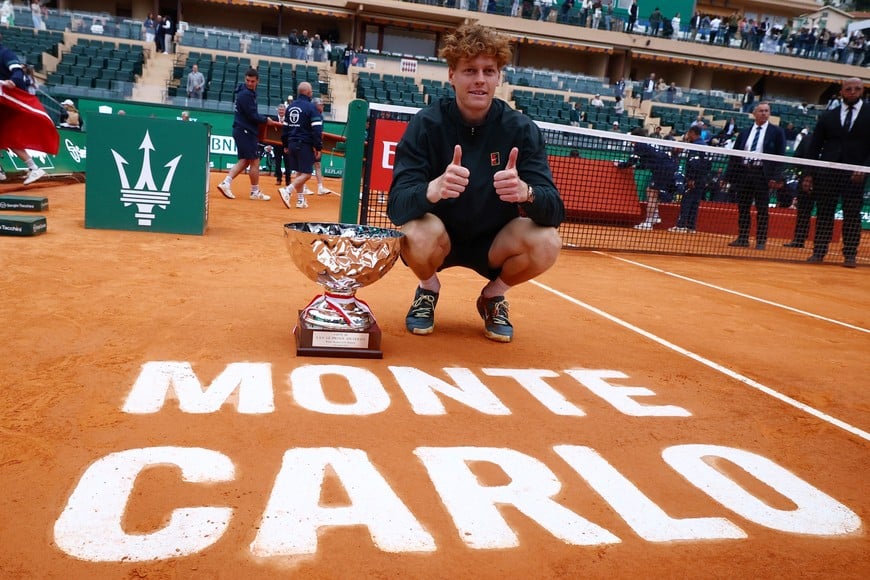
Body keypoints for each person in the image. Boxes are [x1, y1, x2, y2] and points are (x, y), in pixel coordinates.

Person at [387, 24, 564, 343]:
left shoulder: (521, 130)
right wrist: (433, 189)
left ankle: (493, 296)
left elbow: (554, 210)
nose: (480, 79)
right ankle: (428, 288)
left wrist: (527, 193)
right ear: (452, 74)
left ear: (499, 77)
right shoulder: (426, 125)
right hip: (440, 239)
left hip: (495, 244)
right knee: (413, 232)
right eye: (470, 70)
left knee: (548, 241)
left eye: (488, 70)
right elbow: (397, 206)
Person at [804, 77, 869, 268]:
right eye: (848, 89)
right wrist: (808, 174)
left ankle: (850, 254)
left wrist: (864, 169)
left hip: (855, 175)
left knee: (852, 214)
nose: (852, 92)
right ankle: (819, 252)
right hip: (827, 173)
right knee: (824, 213)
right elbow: (815, 147)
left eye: (857, 89)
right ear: (842, 92)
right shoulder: (828, 116)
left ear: (862, 91)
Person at [725, 102, 786, 251]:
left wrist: (776, 177)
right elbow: (735, 155)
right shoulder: (744, 132)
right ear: (754, 113)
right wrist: (729, 176)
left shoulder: (777, 132)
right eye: (761, 111)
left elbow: (781, 156)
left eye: (766, 111)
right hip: (745, 173)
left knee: (762, 209)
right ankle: (743, 238)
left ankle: (761, 240)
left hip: (762, 175)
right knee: (743, 208)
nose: (764, 113)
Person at [215, 68, 282, 201]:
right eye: (247, 81)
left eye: (252, 81)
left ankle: (226, 183)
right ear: (245, 79)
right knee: (254, 161)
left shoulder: (247, 93)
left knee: (245, 161)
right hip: (245, 131)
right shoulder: (246, 94)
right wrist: (266, 120)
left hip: (242, 130)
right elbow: (252, 115)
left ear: (258, 81)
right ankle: (254, 192)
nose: (250, 83)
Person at [0, 34, 53, 184]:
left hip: (7, 102)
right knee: (5, 137)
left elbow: (18, 71)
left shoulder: (5, 54)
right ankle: (32, 168)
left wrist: (13, 81)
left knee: (8, 137)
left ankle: (34, 168)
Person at [615, 127, 676, 230]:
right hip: (667, 167)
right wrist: (635, 167)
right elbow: (647, 163)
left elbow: (632, 161)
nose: (630, 141)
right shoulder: (647, 143)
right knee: (651, 191)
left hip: (662, 169)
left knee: (652, 193)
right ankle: (655, 216)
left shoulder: (639, 144)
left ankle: (648, 222)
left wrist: (620, 165)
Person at [278, 81, 323, 209]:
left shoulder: (290, 108)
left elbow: (285, 129)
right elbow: (317, 130)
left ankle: (300, 200)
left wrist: (285, 144)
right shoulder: (311, 108)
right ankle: (287, 190)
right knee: (307, 173)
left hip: (292, 143)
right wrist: (318, 147)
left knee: (299, 172)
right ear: (309, 93)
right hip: (304, 144)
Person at [669, 126, 710, 233]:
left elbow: (694, 163)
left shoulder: (696, 146)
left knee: (686, 201)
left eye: (688, 133)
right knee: (695, 203)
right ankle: (691, 227)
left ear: (692, 133)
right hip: (702, 179)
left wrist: (691, 179)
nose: (687, 136)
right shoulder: (706, 146)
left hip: (694, 179)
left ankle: (681, 225)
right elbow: (708, 165)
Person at [783, 129, 814, 249]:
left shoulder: (833, 141)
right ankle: (799, 239)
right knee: (803, 212)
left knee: (824, 213)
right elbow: (797, 158)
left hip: (825, 183)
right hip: (805, 182)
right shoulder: (807, 139)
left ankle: (820, 243)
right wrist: (805, 176)